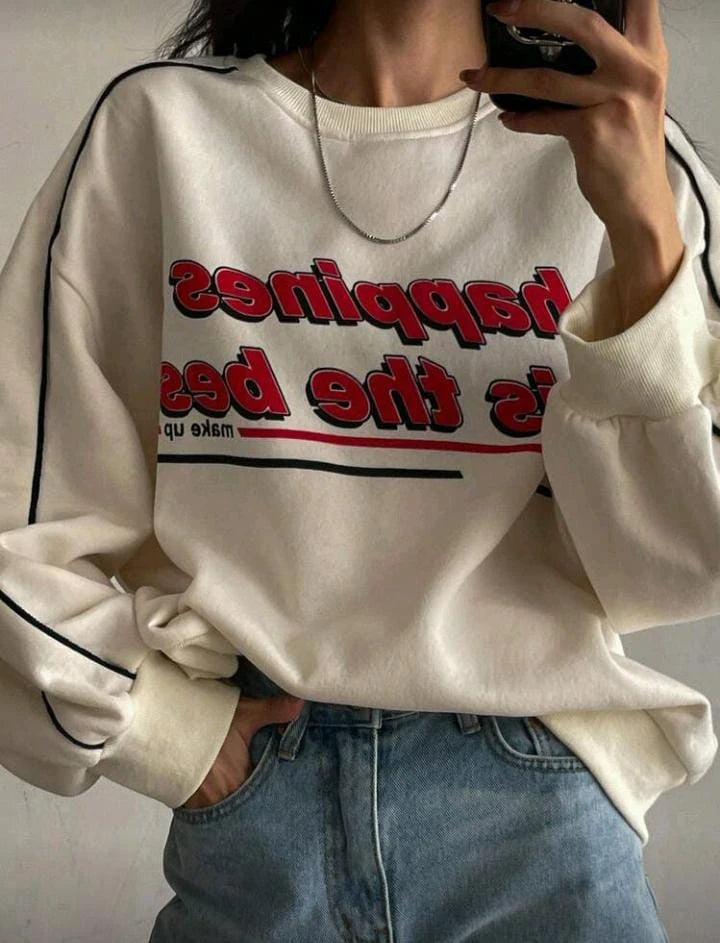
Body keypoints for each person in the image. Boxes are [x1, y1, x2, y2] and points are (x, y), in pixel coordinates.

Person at [1, 0, 718, 939]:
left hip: (540, 822)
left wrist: (645, 234)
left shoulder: (627, 156)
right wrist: (170, 734)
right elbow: (21, 515)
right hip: (261, 822)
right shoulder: (161, 131)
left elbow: (677, 561)